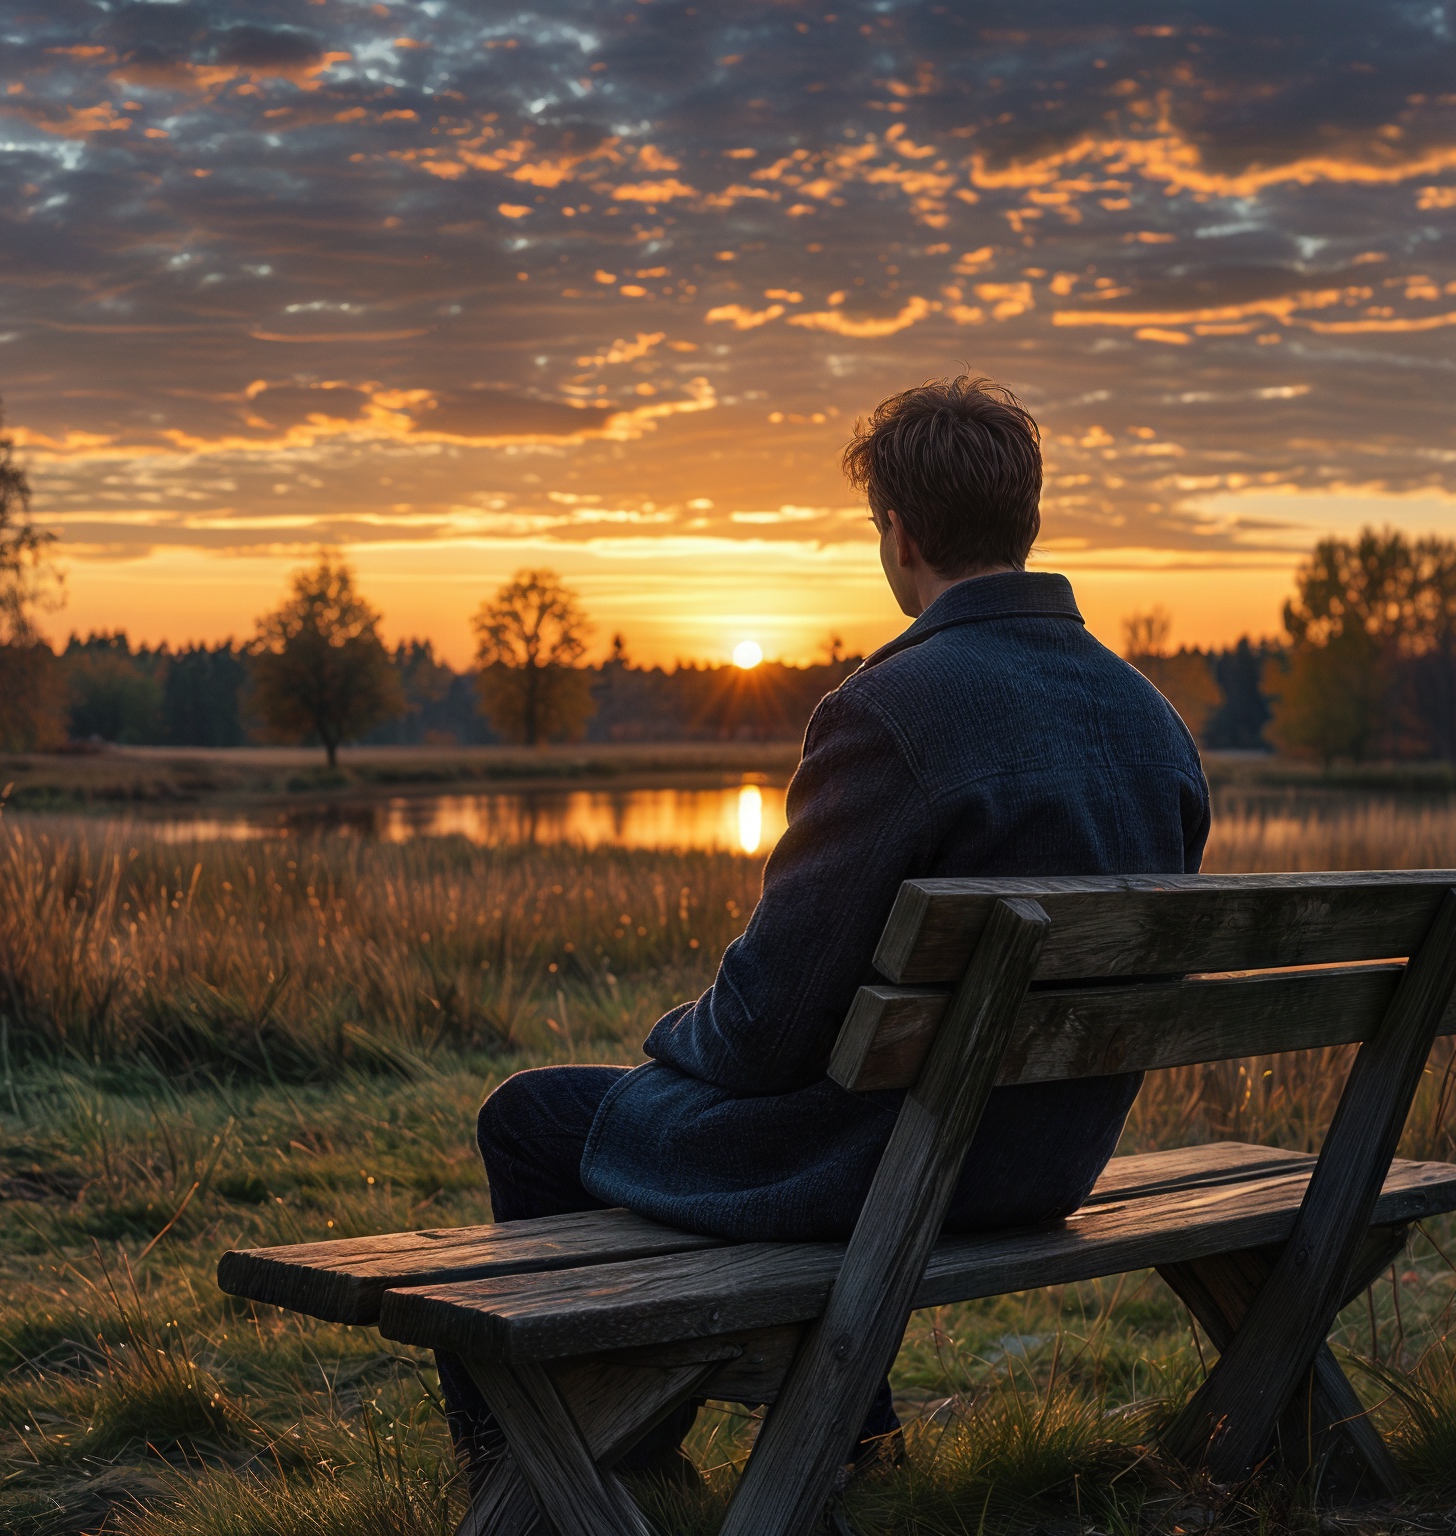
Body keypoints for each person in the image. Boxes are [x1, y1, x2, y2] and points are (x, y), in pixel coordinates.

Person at [436, 374, 1211, 1488]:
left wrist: (674, 1052)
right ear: (1026, 518)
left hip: (901, 1169)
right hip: (1046, 1161)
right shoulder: (1152, 722)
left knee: (533, 1119)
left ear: (896, 533)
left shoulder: (890, 709)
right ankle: (856, 1441)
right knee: (806, 1114)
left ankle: (585, 1467)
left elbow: (762, 1030)